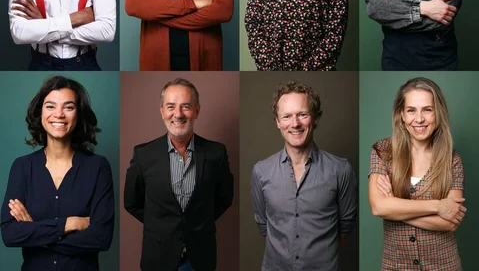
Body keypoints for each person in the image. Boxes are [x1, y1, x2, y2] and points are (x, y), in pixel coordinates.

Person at [0, 75, 114, 271]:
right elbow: (10, 234)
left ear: (78, 114)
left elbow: (101, 238)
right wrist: (68, 224)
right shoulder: (22, 167)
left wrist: (37, 234)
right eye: (50, 106)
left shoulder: (98, 167)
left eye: (68, 107)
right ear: (40, 113)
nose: (59, 114)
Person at [124, 78, 234, 271]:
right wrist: (161, 224)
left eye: (186, 106)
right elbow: (131, 202)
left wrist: (197, 223)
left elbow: (224, 199)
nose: (178, 114)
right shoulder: (144, 154)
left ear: (197, 111)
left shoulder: (217, 153)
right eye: (171, 106)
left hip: (200, 258)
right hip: (157, 257)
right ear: (162, 111)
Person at [251, 80, 356, 270]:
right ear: (277, 122)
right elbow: (263, 224)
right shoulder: (261, 171)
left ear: (315, 118)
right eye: (287, 116)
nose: (295, 124)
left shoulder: (341, 170)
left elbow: (346, 226)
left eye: (302, 114)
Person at [369, 77, 465, 271]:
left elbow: (450, 223)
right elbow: (378, 207)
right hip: (395, 265)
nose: (419, 119)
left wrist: (395, 208)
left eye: (427, 110)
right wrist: (438, 206)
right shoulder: (382, 151)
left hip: (444, 265)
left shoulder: (452, 159)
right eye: (411, 110)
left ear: (438, 114)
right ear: (401, 115)